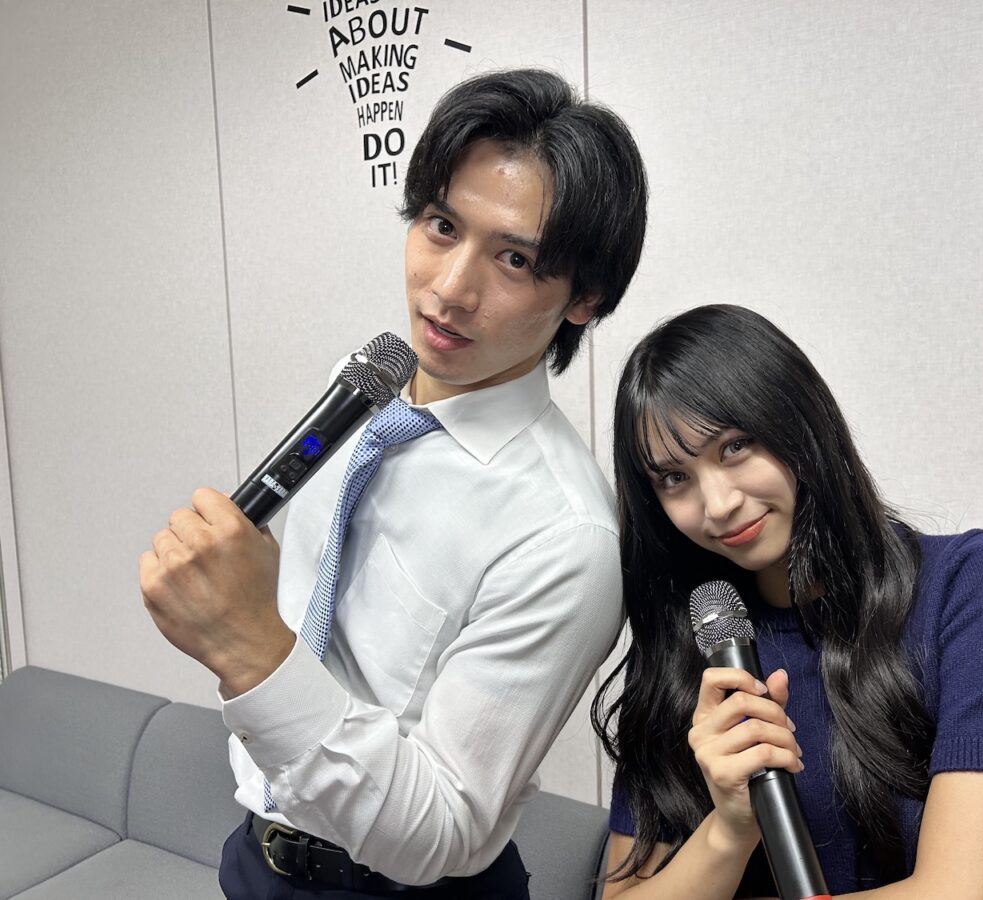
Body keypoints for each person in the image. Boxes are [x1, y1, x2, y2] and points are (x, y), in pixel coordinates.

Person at [139, 68, 647, 899]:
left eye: (514, 258)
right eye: (441, 226)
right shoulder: (361, 390)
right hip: (256, 853)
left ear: (584, 297)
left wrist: (246, 643)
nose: (449, 289)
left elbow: (441, 832)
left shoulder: (566, 536)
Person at [592, 304, 983, 898]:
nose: (717, 504)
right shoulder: (691, 644)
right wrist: (730, 829)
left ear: (800, 422)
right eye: (673, 478)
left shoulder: (976, 586)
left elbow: (968, 891)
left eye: (735, 447)